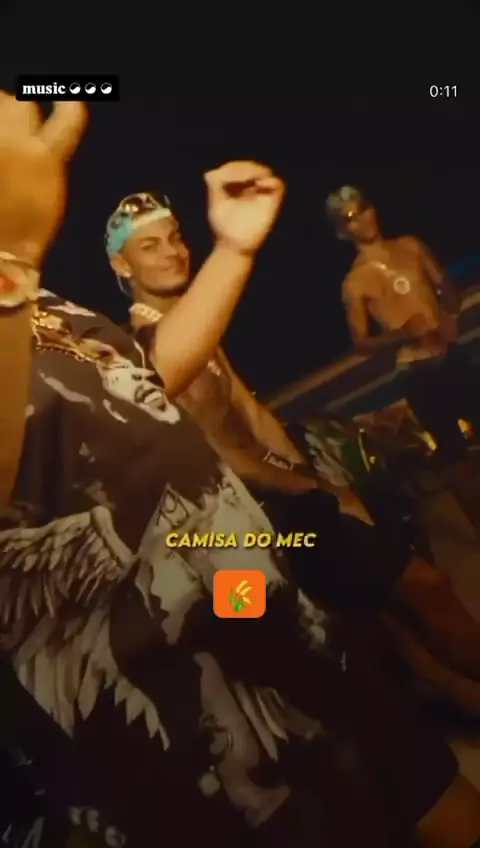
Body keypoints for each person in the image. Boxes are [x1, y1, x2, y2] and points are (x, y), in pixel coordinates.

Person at [1, 95, 480, 848]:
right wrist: (16, 254)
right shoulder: (16, 283)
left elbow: (147, 384)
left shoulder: (44, 309)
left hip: (269, 623)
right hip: (178, 711)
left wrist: (234, 251)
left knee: (430, 790)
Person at [106, 190, 480, 700]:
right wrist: (317, 490)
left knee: (377, 622)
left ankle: (447, 702)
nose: (172, 252)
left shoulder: (195, 328)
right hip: (243, 527)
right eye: (150, 246)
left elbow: (254, 415)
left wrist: (317, 481)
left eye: (175, 238)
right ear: (121, 265)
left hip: (282, 501)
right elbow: (220, 453)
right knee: (412, 593)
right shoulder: (151, 351)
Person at [326, 185, 480, 536]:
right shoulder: (355, 282)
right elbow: (361, 342)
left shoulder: (410, 246)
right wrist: (401, 333)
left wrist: (451, 312)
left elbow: (444, 284)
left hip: (451, 355)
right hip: (419, 371)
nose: (362, 220)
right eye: (350, 218)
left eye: (363, 209)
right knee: (455, 458)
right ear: (342, 232)